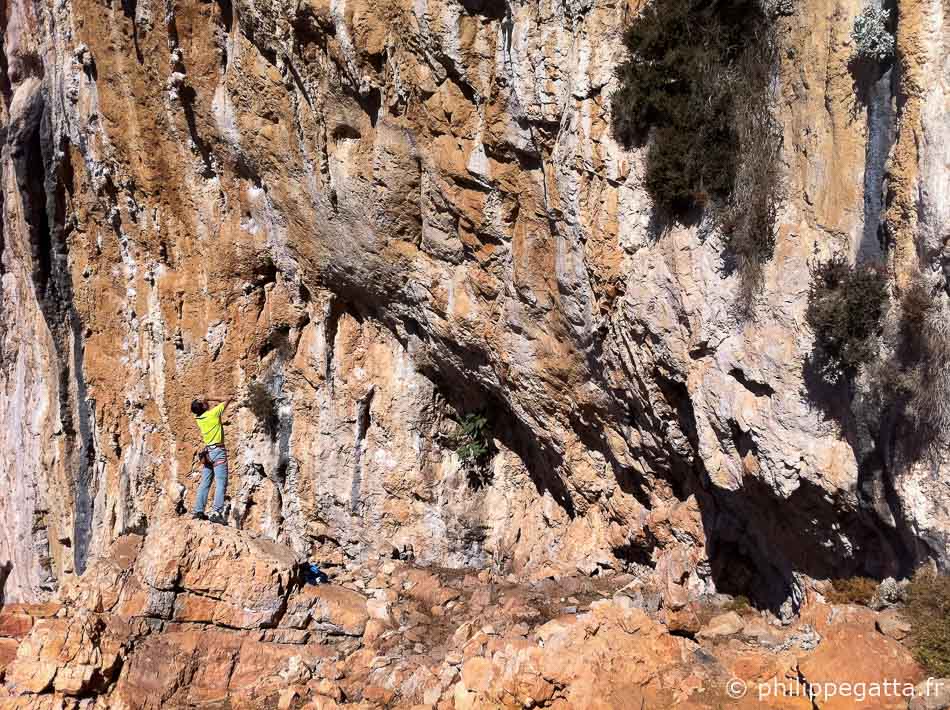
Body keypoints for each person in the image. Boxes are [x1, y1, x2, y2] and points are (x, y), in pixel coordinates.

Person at [190, 394, 232, 523]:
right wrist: (208, 397)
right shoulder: (212, 414)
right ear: (203, 405)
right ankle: (216, 512)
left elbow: (198, 409)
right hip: (218, 452)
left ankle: (199, 511)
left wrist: (202, 402)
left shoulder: (199, 418)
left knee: (205, 482)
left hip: (208, 453)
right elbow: (228, 398)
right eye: (203, 402)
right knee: (221, 482)